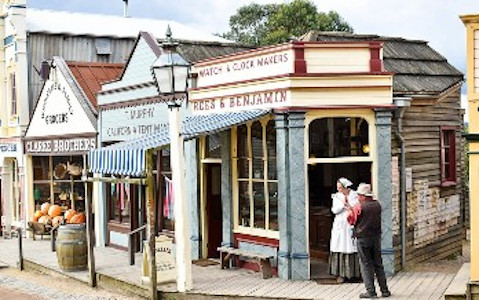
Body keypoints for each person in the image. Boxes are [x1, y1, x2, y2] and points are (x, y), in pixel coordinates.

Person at [354, 183, 391, 298]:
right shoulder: (377, 205)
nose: (358, 197)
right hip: (376, 237)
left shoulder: (360, 206)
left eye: (359, 195)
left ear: (364, 196)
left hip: (363, 237)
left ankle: (371, 291)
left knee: (366, 264)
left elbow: (351, 220)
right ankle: (384, 290)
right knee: (378, 264)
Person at [329, 177, 361, 283]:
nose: (339, 190)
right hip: (340, 224)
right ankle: (340, 274)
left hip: (350, 224)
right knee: (340, 245)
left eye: (340, 188)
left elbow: (358, 208)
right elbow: (334, 210)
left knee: (351, 246)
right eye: (338, 188)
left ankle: (353, 274)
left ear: (346, 187)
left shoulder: (355, 195)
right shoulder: (337, 197)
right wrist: (342, 206)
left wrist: (350, 206)